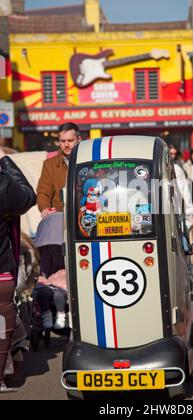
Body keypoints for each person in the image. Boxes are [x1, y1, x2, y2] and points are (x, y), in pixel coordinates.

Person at [36, 122, 81, 329]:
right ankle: (53, 294)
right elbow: (43, 192)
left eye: (70, 140)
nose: (66, 145)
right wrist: (44, 208)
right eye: (62, 141)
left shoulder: (87, 161)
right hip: (58, 219)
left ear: (78, 139)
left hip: (82, 218)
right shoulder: (50, 165)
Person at [0, 147, 36, 392]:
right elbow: (27, 197)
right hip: (1, 271)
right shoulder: (2, 183)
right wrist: (5, 160)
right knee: (3, 324)